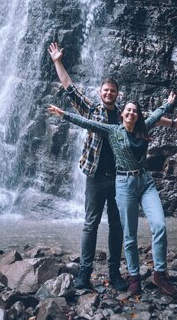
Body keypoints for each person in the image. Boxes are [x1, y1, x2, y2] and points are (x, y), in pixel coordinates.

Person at [47, 93, 177, 297]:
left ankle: (160, 274)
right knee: (129, 235)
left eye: (135, 111)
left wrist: (168, 104)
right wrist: (64, 115)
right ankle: (134, 277)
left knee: (159, 225)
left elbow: (156, 114)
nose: (131, 113)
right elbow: (87, 122)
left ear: (138, 115)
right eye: (128, 110)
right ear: (122, 114)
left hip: (145, 182)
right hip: (123, 184)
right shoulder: (112, 131)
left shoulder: (143, 127)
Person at [48, 41, 127, 291]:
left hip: (120, 179)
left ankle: (114, 273)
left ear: (117, 94)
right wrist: (57, 61)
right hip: (95, 177)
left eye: (112, 91)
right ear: (100, 91)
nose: (108, 94)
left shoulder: (126, 116)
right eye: (105, 90)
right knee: (90, 224)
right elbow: (70, 89)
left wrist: (170, 120)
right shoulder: (92, 111)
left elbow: (149, 123)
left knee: (116, 225)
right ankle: (85, 274)